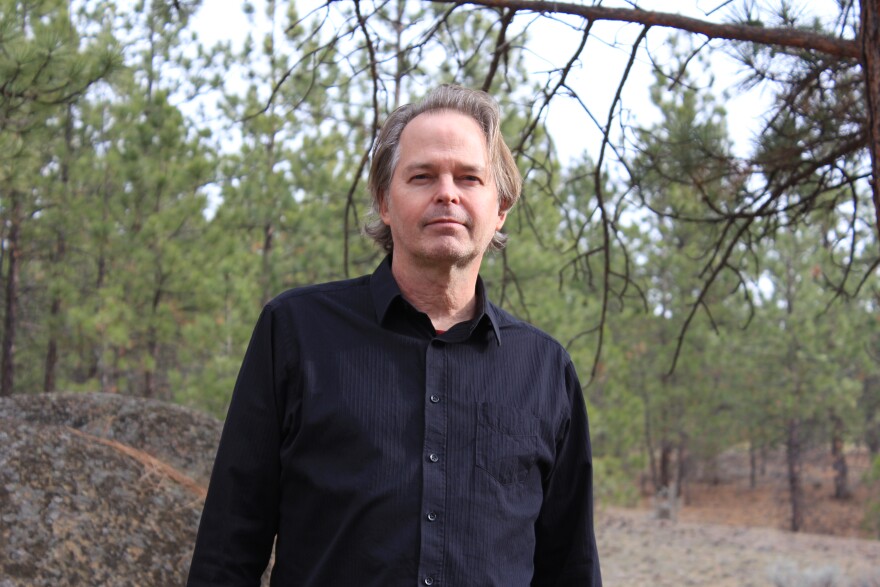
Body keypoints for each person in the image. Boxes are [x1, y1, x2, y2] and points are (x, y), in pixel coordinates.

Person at [187, 84, 602, 586]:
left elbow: (570, 568)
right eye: (422, 176)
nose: (447, 192)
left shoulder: (545, 370)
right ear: (385, 201)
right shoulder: (295, 332)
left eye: (469, 178)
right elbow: (228, 549)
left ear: (501, 208)